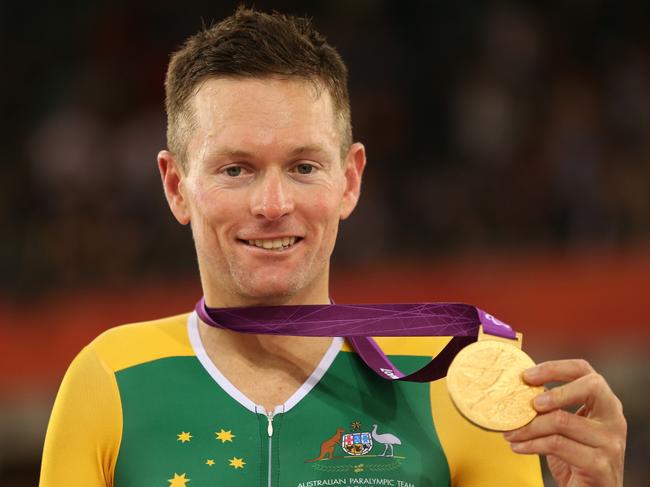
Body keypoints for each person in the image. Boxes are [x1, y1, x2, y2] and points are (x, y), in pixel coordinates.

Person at [40, 7, 626, 487]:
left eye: (302, 166)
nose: (272, 205)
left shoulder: (452, 379)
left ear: (349, 180)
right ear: (176, 186)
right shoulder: (110, 379)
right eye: (236, 170)